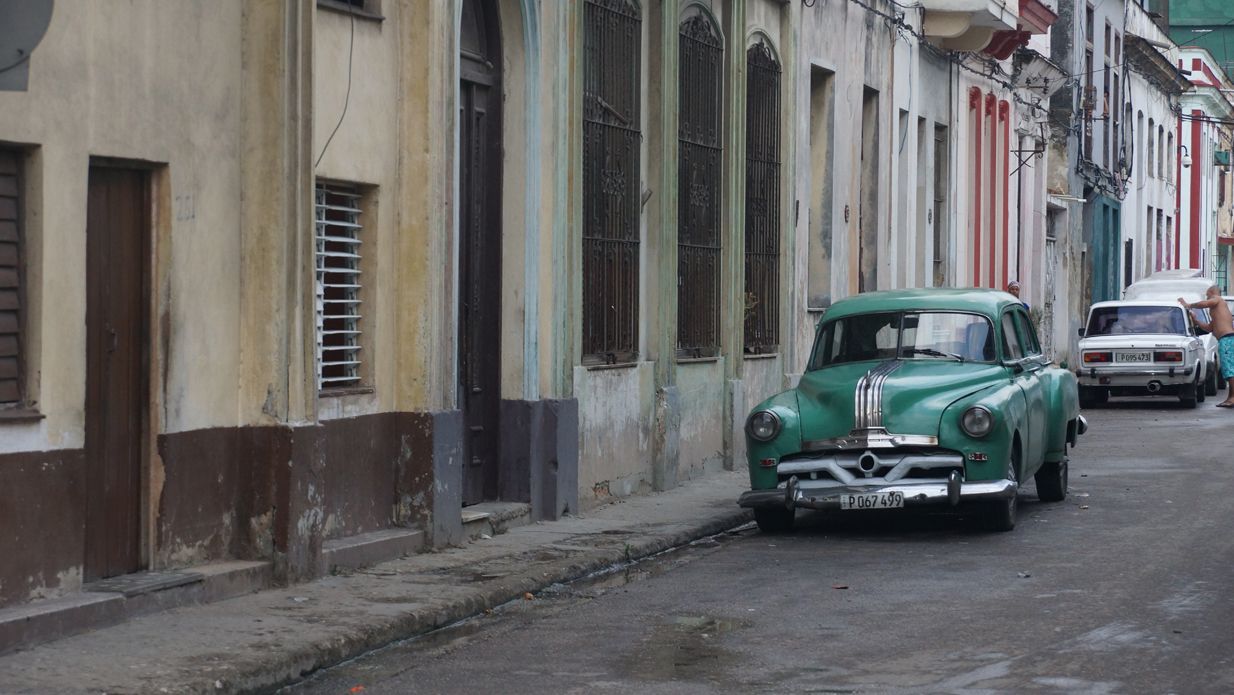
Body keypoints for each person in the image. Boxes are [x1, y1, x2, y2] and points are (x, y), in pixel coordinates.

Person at [1180, 286, 1234, 407]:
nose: (1206, 297)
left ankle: (1232, 398)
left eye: (1207, 295)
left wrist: (1189, 305)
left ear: (1211, 293)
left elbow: (1205, 303)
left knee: (1230, 370)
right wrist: (1196, 320)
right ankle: (1231, 397)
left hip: (1227, 339)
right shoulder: (1217, 310)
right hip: (1226, 339)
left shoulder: (1218, 300)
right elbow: (1210, 328)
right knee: (1229, 370)